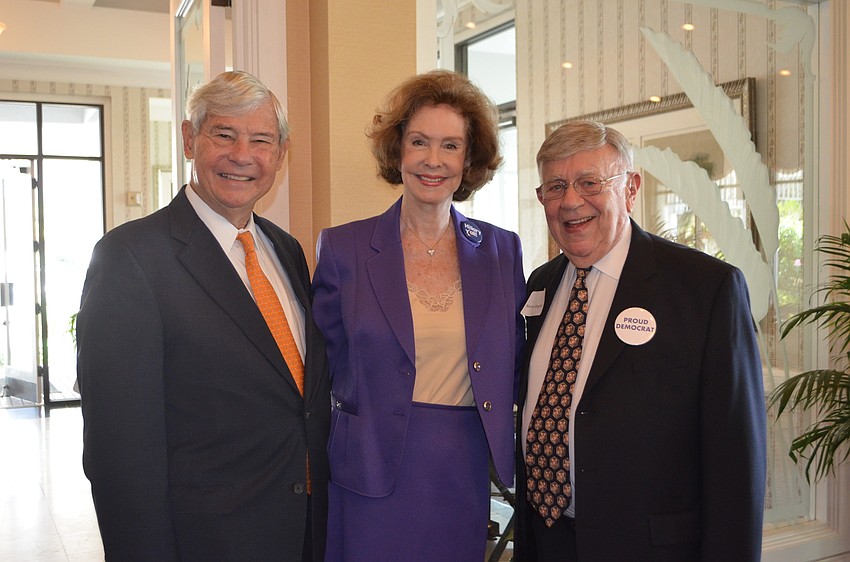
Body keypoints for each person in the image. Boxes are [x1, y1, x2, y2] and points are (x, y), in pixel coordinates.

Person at [76, 70, 330, 561]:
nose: (242, 155)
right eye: (224, 134)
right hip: (205, 543)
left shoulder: (287, 250)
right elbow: (119, 452)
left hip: (302, 533)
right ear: (191, 140)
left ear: (280, 153)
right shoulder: (129, 258)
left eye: (261, 140)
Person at [514, 120, 766, 561]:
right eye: (555, 186)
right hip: (546, 541)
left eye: (589, 182)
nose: (571, 202)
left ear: (630, 188)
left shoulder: (706, 289)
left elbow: (736, 466)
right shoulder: (540, 286)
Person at [311, 69, 525, 561]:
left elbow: (512, 360)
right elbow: (322, 366)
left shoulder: (500, 250)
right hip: (366, 468)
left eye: (451, 145)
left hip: (460, 467)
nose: (433, 160)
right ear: (397, 151)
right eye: (419, 142)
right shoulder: (343, 247)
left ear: (469, 159)